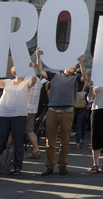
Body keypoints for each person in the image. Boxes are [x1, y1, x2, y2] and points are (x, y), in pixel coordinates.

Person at [35, 47, 87, 176]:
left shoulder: (76, 77)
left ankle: (62, 164)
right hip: (53, 110)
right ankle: (49, 165)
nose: (74, 67)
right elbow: (40, 71)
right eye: (72, 65)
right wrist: (38, 57)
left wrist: (81, 63)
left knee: (65, 141)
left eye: (75, 65)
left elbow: (85, 78)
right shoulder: (55, 75)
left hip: (67, 111)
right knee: (50, 141)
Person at [0, 62, 38, 176]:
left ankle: (17, 167)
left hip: (19, 114)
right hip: (3, 113)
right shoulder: (7, 82)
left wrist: (31, 69)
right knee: (0, 142)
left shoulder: (25, 83)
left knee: (18, 142)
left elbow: (33, 81)